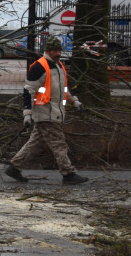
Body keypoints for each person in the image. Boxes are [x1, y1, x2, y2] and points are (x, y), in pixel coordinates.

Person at [5, 36, 87, 185]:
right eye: (55, 50)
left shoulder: (59, 66)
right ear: (48, 51)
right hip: (46, 113)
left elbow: (62, 89)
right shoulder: (39, 67)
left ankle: (14, 167)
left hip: (52, 112)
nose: (58, 53)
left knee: (35, 143)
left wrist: (73, 101)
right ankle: (68, 174)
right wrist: (27, 113)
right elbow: (28, 91)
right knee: (59, 144)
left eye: (60, 50)